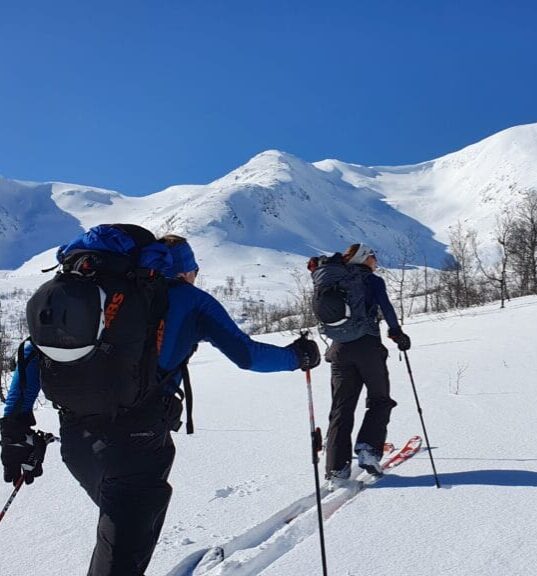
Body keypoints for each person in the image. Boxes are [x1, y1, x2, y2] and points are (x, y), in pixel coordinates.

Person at [0, 232, 320, 576]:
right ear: (185, 269)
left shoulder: (104, 298)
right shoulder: (189, 299)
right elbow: (247, 355)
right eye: (194, 270)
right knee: (121, 556)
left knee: (118, 535)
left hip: (78, 443)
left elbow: (33, 354)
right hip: (139, 446)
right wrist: (296, 357)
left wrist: (15, 429)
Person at [323, 243, 411, 488]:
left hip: (339, 350)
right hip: (368, 347)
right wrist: (397, 334)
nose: (376, 260)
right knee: (380, 399)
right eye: (373, 256)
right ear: (364, 258)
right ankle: (368, 450)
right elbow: (387, 308)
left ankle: (336, 470)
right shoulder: (372, 281)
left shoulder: (335, 280)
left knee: (341, 408)